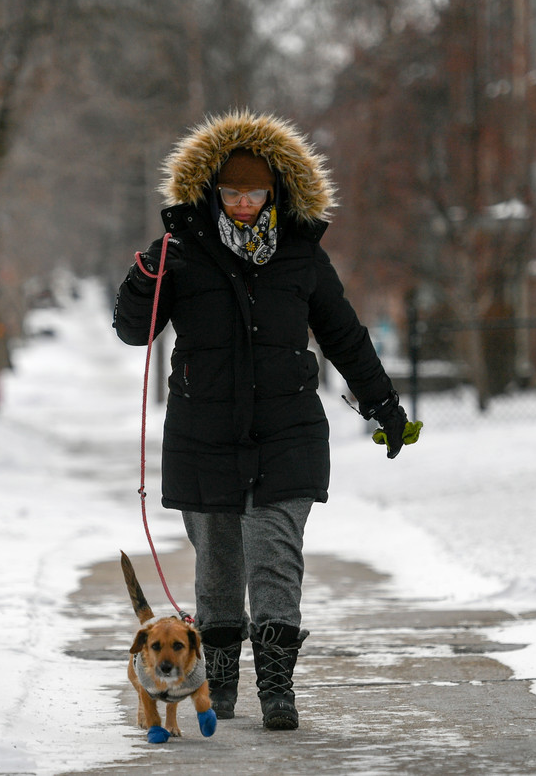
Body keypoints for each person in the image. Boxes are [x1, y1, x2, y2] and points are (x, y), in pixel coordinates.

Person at [113, 109, 421, 731]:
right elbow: (130, 331)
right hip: (204, 436)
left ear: (275, 192)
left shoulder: (301, 256)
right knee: (219, 564)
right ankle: (220, 687)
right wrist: (146, 276)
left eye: (254, 192)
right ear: (213, 192)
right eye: (232, 193)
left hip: (287, 434)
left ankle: (278, 688)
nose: (244, 203)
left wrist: (383, 405)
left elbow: (344, 336)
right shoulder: (183, 251)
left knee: (274, 557)